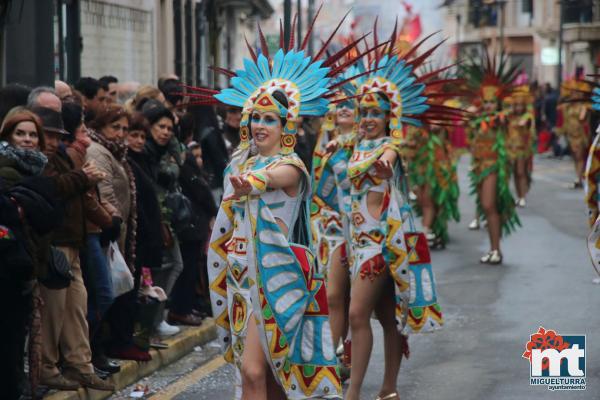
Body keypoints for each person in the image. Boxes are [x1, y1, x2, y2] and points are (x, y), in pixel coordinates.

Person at [199, 21, 366, 398]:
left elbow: (271, 178)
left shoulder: (291, 167)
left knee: (253, 370)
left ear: (285, 124)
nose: (260, 125)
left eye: (269, 119)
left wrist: (250, 184)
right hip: (242, 278)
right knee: (270, 376)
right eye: (255, 117)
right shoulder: (239, 162)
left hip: (278, 281)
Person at [344, 36, 449, 399]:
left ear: (390, 116)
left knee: (358, 316)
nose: (369, 118)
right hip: (357, 245)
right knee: (387, 317)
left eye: (376, 113)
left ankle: (352, 393)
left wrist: (384, 165)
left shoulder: (389, 146)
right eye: (365, 112)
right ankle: (388, 389)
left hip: (379, 246)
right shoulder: (353, 145)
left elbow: (387, 161)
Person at [32, 106, 114, 391]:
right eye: (49, 136)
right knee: (53, 312)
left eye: (57, 136)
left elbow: (82, 195)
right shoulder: (39, 162)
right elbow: (51, 188)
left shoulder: (63, 157)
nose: (52, 142)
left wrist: (107, 220)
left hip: (72, 240)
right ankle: (47, 368)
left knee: (76, 308)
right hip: (54, 242)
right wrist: (84, 178)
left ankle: (81, 366)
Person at [310, 77, 360, 378]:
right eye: (337, 104)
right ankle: (330, 358)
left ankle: (350, 356)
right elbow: (316, 188)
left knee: (355, 301)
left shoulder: (366, 145)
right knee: (332, 296)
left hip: (359, 233)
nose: (342, 109)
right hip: (327, 229)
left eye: (349, 105)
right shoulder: (323, 144)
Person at [86, 104, 137, 370]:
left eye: (125, 129)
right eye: (114, 127)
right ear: (100, 127)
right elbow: (104, 192)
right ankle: (89, 353)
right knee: (102, 295)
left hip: (116, 235)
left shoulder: (115, 152)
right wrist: (113, 222)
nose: (120, 133)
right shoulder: (97, 151)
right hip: (104, 233)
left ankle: (95, 352)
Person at [462, 51, 521, 264]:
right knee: (485, 207)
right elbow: (464, 125)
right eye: (484, 102)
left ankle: (496, 249)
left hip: (494, 166)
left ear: (497, 103)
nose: (488, 106)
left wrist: (485, 115)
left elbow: (504, 118)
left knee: (488, 205)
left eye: (491, 102)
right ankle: (494, 249)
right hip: (478, 166)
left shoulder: (499, 118)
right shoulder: (477, 119)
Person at [141, 100, 184, 337]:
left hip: (167, 219)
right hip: (156, 219)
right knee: (166, 266)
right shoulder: (146, 152)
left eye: (170, 128)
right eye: (161, 127)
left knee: (174, 264)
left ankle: (158, 316)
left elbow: (180, 161)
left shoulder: (165, 150)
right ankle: (153, 319)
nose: (166, 132)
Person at [168, 141, 217, 325]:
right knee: (185, 268)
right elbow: (200, 191)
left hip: (194, 223)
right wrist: (212, 209)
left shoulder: (184, 159)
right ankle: (180, 309)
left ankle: (187, 307)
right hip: (189, 223)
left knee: (190, 268)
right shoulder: (182, 162)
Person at [556, 79, 592, 188]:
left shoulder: (584, 106)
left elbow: (583, 119)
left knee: (579, 156)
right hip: (570, 135)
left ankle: (579, 178)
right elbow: (561, 116)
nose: (574, 95)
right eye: (572, 93)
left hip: (581, 135)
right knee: (575, 157)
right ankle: (578, 176)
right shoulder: (567, 107)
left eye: (577, 93)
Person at [505, 85, 535, 207]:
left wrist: (523, 122)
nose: (518, 108)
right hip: (508, 149)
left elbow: (525, 124)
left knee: (520, 172)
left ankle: (522, 196)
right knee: (509, 173)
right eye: (516, 105)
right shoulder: (508, 116)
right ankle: (514, 196)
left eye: (520, 105)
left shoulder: (528, 116)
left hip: (521, 149)